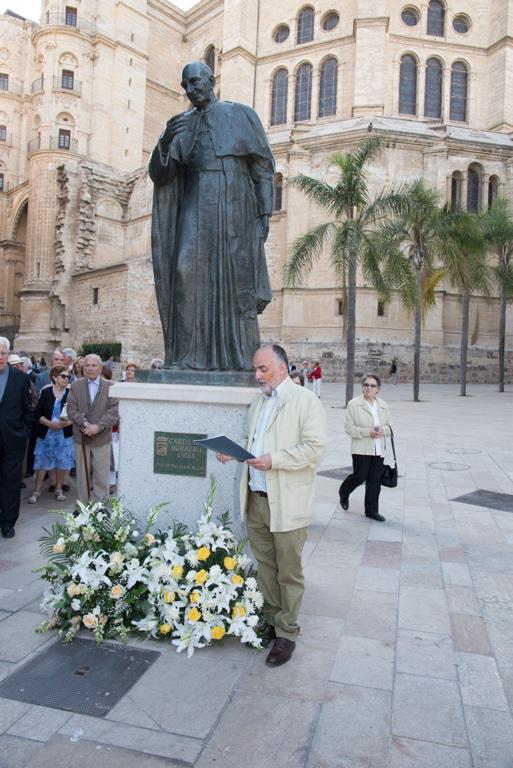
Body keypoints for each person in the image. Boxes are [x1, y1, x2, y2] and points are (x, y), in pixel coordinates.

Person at [149, 61, 274, 371]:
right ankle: (187, 357)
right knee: (184, 272)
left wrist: (264, 212)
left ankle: (240, 358)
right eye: (186, 86)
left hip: (234, 204)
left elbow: (262, 167)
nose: (191, 90)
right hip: (193, 202)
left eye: (195, 82)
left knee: (235, 280)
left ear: (211, 79)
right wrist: (165, 141)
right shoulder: (180, 123)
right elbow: (162, 176)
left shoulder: (241, 114)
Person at [216, 344, 326, 666]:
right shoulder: (257, 402)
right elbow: (254, 446)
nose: (257, 375)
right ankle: (271, 620)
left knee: (289, 572)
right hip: (256, 499)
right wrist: (234, 452)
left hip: (287, 503)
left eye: (262, 369)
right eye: (255, 369)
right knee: (266, 568)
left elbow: (315, 449)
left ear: (282, 368)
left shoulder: (305, 401)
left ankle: (287, 633)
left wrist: (274, 460)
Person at [338, 374, 393, 523]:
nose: (369, 388)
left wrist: (383, 431)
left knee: (374, 481)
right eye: (366, 385)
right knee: (360, 476)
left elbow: (390, 428)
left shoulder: (383, 405)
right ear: (362, 387)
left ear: (378, 389)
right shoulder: (354, 404)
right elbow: (349, 428)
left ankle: (371, 510)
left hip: (378, 449)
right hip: (361, 448)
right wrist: (367, 432)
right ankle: (344, 490)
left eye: (372, 385)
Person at [67, 354, 119, 503]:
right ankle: (83, 506)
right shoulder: (76, 386)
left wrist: (98, 426)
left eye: (94, 365)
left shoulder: (111, 386)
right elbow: (71, 409)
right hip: (81, 438)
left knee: (101, 474)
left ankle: (102, 507)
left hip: (102, 439)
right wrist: (84, 424)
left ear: (100, 367)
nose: (90, 368)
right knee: (82, 475)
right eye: (87, 366)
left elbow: (113, 412)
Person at [0, 337, 33, 538]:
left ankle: (8, 522)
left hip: (13, 440)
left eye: (2, 353)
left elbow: (28, 409)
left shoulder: (20, 378)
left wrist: (24, 433)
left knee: (11, 482)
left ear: (8, 355)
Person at [28, 365, 74, 503]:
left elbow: (77, 413)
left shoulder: (71, 393)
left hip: (64, 434)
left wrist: (65, 424)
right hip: (46, 434)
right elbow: (37, 413)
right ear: (54, 377)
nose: (66, 379)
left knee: (62, 462)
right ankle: (36, 491)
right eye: (63, 376)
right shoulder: (46, 392)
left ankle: (58, 489)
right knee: (42, 463)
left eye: (68, 376)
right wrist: (49, 423)